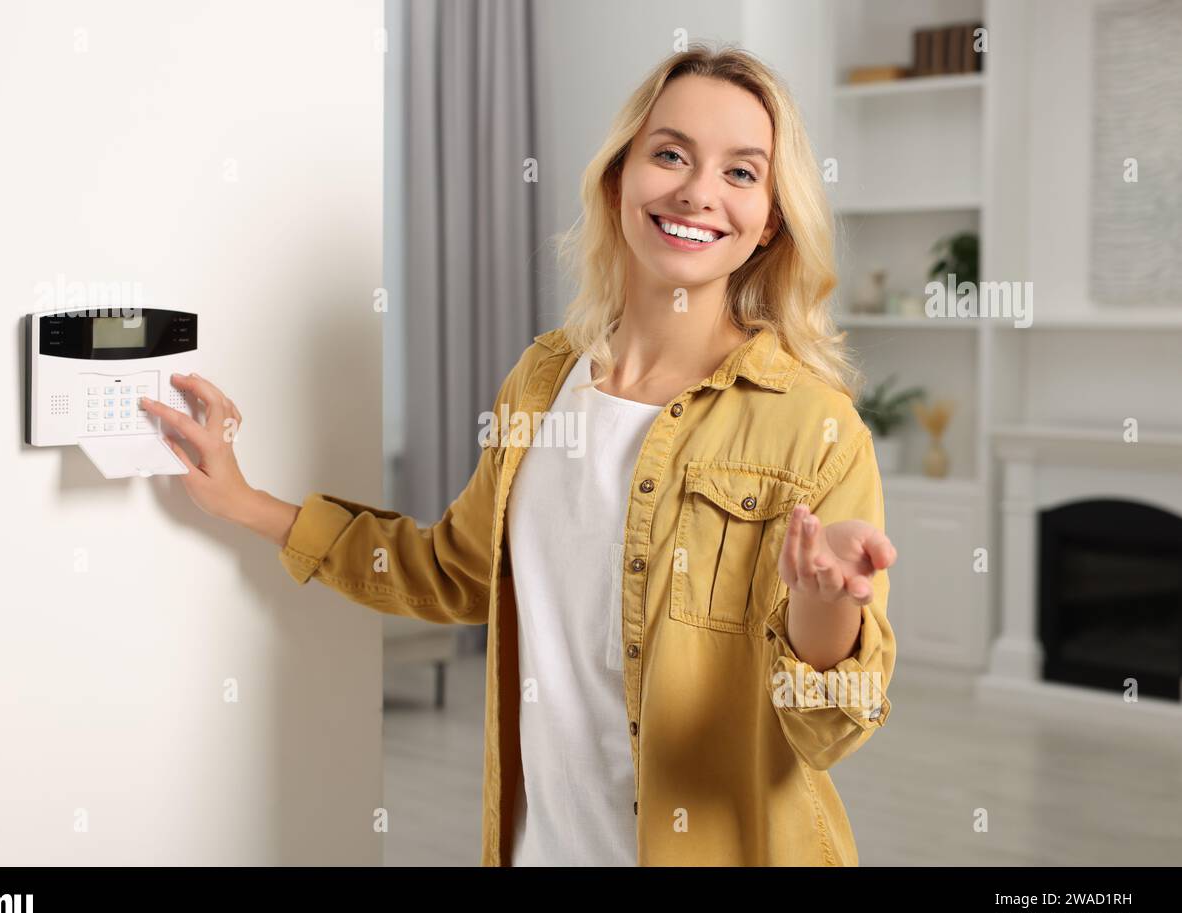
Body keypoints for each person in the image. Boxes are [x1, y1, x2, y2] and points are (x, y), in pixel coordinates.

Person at [140, 43, 899, 867]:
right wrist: (246, 500)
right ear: (619, 179)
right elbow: (455, 572)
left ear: (771, 220)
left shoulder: (812, 425)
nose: (697, 191)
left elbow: (829, 725)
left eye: (741, 173)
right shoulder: (541, 383)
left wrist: (827, 603)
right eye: (670, 154)